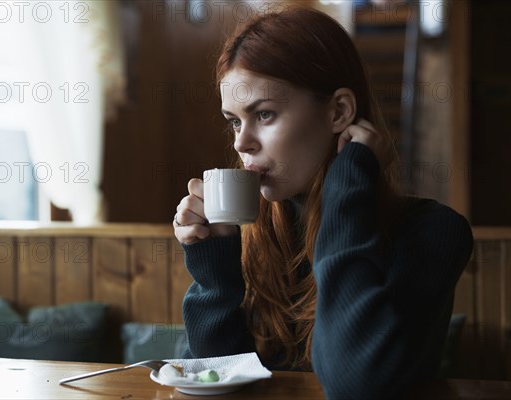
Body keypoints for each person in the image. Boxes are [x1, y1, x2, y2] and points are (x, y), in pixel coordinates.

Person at [173, 7, 473, 400]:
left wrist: (347, 184)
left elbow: (357, 383)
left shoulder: (433, 233)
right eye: (234, 121)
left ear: (339, 112)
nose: (240, 142)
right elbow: (218, 378)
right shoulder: (254, 234)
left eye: (264, 114)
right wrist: (213, 266)